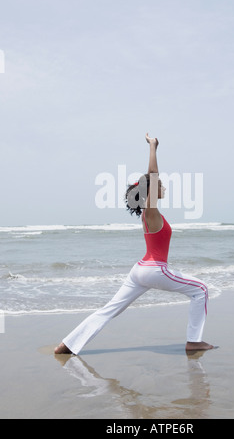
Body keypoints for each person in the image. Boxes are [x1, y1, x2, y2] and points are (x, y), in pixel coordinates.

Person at [55, 134, 213, 355]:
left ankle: (67, 345)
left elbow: (151, 179)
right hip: (154, 269)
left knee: (110, 309)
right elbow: (154, 176)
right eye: (160, 186)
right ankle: (194, 341)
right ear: (151, 192)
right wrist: (153, 147)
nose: (164, 187)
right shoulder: (152, 212)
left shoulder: (150, 215)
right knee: (201, 290)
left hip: (139, 270)